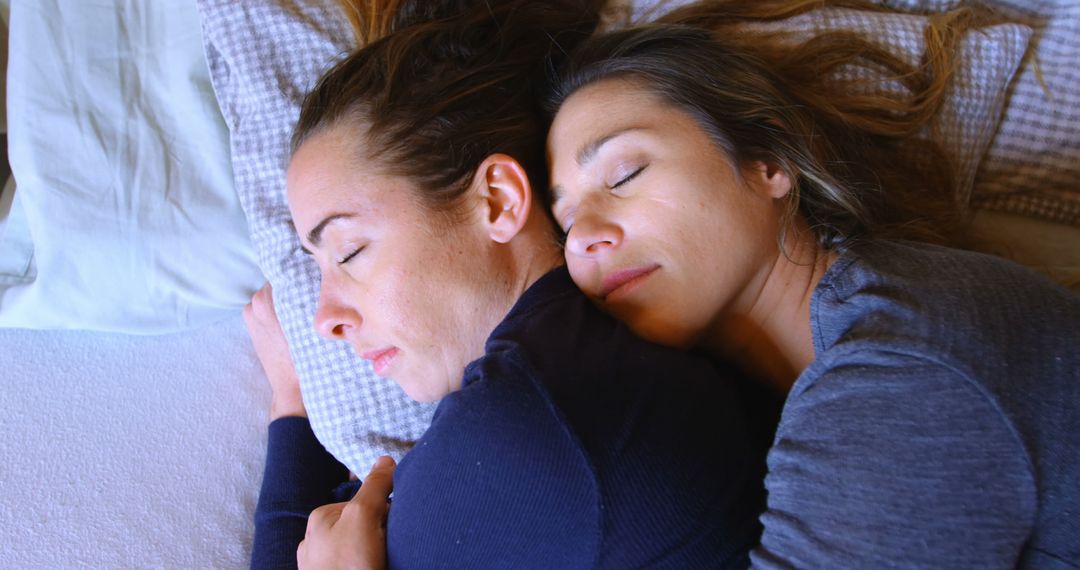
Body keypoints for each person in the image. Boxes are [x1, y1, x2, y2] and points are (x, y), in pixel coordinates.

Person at [243, 0, 779, 568]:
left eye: (350, 250)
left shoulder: (516, 427)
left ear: (497, 200)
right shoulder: (597, 373)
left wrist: (292, 409)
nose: (324, 318)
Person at [542, 5, 1080, 568]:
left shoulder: (897, 366)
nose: (584, 239)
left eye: (624, 174)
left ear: (767, 161)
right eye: (567, 223)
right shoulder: (794, 391)